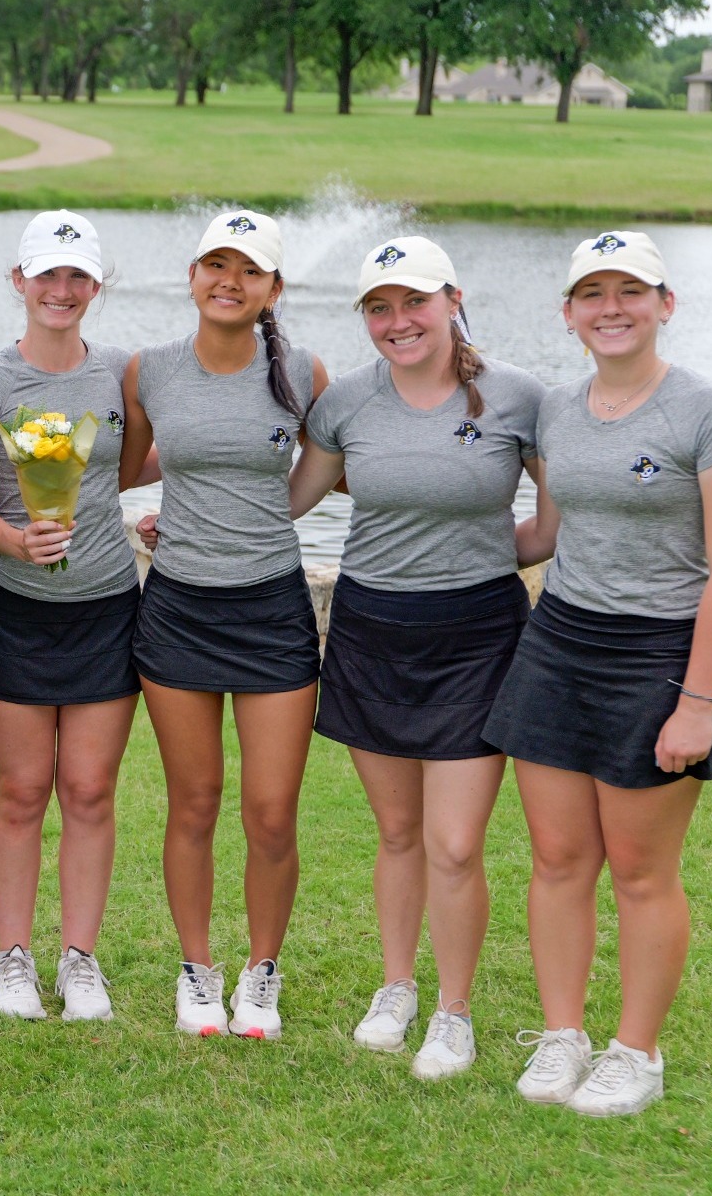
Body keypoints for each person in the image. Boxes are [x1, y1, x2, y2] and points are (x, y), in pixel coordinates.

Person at [483, 231, 712, 1117]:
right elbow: (548, 535)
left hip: (658, 655)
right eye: (592, 293)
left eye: (630, 292)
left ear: (664, 304)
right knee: (559, 859)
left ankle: (635, 1053)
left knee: (642, 871)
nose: (612, 308)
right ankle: (562, 1035)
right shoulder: (560, 413)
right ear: (568, 314)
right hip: (560, 640)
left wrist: (695, 704)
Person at [290, 236, 546, 1078]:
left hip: (479, 636)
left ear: (452, 299)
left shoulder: (515, 396)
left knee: (454, 842)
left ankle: (453, 1011)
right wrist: (178, 518)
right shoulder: (347, 405)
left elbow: (552, 518)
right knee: (397, 831)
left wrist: (476, 557)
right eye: (379, 308)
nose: (398, 322)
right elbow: (292, 499)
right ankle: (397, 985)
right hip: (372, 628)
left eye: (414, 302)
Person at [129, 209, 327, 1040]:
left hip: (273, 607)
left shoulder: (307, 373)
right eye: (215, 264)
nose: (229, 281)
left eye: (249, 270)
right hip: (178, 608)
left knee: (272, 810)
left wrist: (247, 515)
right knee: (195, 801)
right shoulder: (151, 370)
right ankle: (198, 972)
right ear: (193, 275)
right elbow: (126, 464)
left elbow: (324, 469)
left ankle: (262, 973)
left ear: (273, 289)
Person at [0, 211, 151, 1023]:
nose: (61, 291)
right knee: (23, 790)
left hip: (107, 607)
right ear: (19, 282)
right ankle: (12, 959)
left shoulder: (122, 375)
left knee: (92, 789)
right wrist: (10, 540)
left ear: (95, 286)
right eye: (47, 276)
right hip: (15, 609)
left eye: (77, 277)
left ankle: (80, 960)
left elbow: (132, 466)